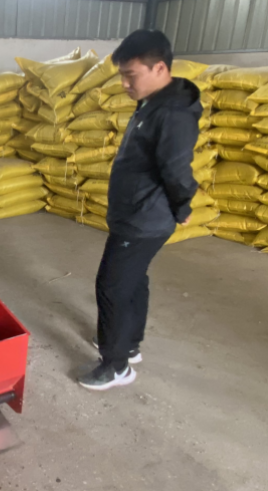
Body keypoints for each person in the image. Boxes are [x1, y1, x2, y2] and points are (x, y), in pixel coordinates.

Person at [78, 30, 200, 391]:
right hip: (136, 210)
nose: (124, 84)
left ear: (159, 68)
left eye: (131, 75)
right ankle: (129, 344)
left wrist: (182, 206)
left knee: (111, 286)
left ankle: (116, 366)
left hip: (144, 218)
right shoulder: (153, 101)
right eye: (122, 76)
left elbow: (177, 171)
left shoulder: (174, 114)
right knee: (133, 279)